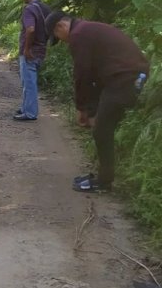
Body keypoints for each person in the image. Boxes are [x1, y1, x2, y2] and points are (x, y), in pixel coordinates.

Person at [45, 11, 150, 192]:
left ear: (60, 26)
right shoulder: (86, 30)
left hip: (125, 78)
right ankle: (104, 175)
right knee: (103, 127)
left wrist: (81, 109)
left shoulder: (78, 35)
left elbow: (82, 75)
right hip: (128, 76)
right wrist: (91, 109)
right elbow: (94, 76)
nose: (62, 41)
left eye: (58, 37)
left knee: (102, 130)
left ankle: (104, 182)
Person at [14, 0, 51, 121]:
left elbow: (30, 29)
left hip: (31, 51)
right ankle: (25, 107)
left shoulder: (29, 9)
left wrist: (27, 48)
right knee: (28, 81)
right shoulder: (45, 8)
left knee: (29, 82)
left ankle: (30, 112)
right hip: (41, 49)